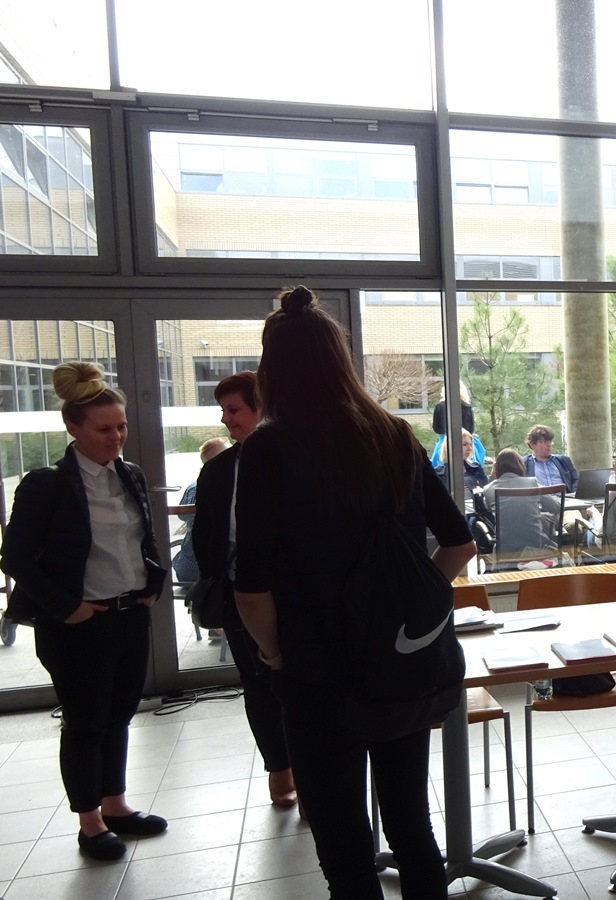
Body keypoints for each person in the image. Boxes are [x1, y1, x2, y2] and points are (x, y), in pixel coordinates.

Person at [232, 286, 476, 899]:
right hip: (398, 661)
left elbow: (251, 587)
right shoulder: (394, 434)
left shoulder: (267, 448)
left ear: (271, 369)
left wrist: (275, 654)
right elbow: (458, 544)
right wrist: (409, 603)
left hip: (317, 671)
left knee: (343, 845)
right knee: (412, 824)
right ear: (339, 359)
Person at [0, 362, 169, 861]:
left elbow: (142, 539)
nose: (116, 437)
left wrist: (153, 581)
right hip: (78, 623)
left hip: (129, 614)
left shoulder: (130, 474)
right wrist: (66, 607)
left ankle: (115, 805)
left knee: (119, 714)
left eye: (121, 426)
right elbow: (15, 558)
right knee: (85, 721)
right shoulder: (46, 484)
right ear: (73, 428)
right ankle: (89, 821)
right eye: (103, 429)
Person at [190, 371, 299, 812]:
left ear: (260, 408)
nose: (226, 419)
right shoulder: (218, 471)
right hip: (240, 596)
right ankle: (280, 768)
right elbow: (204, 536)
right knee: (258, 687)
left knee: (301, 686)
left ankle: (309, 772)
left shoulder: (296, 459)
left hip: (296, 597)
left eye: (234, 410)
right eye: (223, 411)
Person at [170, 436, 230, 587]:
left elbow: (183, 515)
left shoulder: (194, 486)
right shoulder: (203, 487)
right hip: (200, 567)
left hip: (186, 563)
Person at [485, 447, 562, 562]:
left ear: (497, 468)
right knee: (545, 519)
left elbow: (488, 508)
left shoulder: (488, 489)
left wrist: (492, 476)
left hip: (506, 553)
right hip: (537, 548)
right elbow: (555, 506)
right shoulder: (532, 483)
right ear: (520, 465)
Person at [523, 423, 578, 493]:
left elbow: (576, 480)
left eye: (550, 441)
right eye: (543, 442)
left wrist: (574, 495)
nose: (549, 444)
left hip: (565, 498)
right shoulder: (524, 464)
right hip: (540, 499)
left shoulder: (564, 460)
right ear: (532, 444)